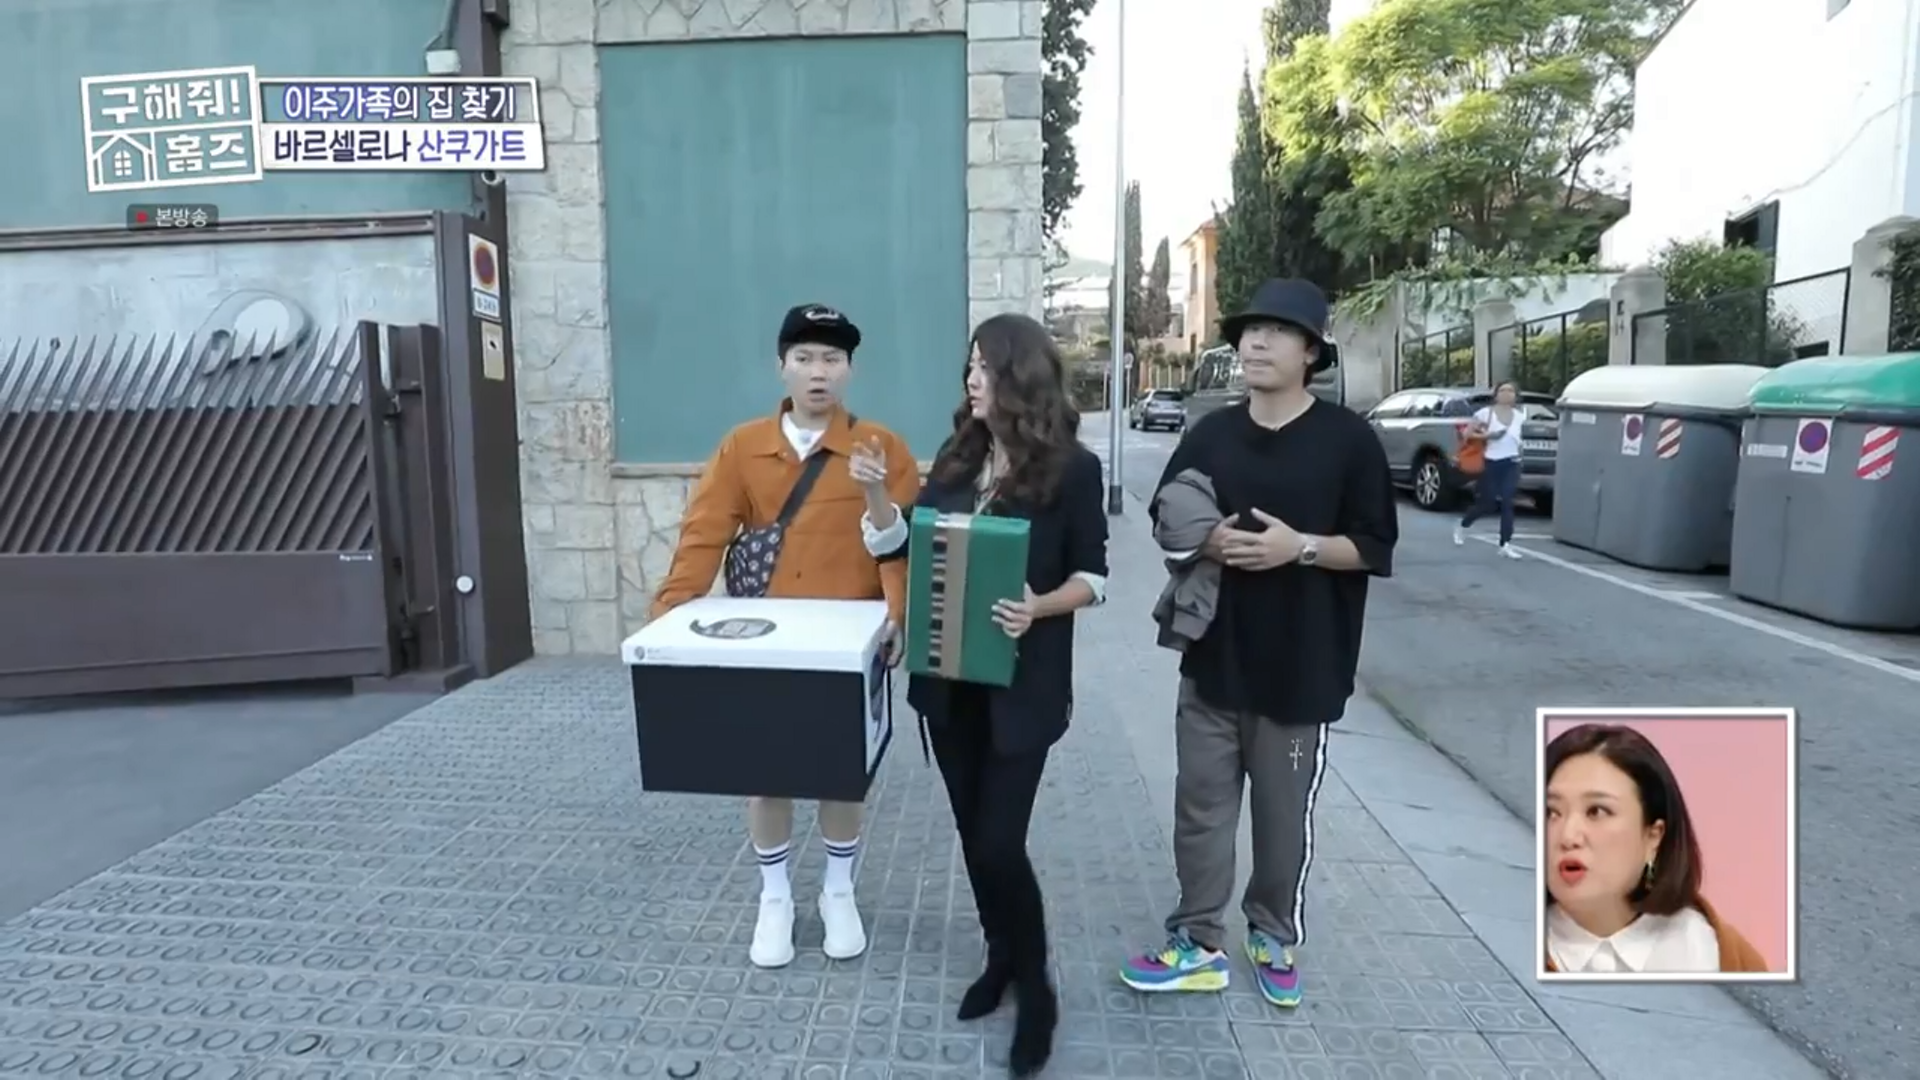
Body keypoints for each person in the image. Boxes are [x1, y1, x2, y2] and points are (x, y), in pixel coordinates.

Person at [1119, 278, 1398, 1010]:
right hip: (1213, 659)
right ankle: (1197, 940)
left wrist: (1296, 548)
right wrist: (1206, 537)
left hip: (1303, 670)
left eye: (1277, 331)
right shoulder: (1210, 432)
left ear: (1311, 353)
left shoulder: (1348, 441)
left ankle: (1272, 932)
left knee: (1281, 817)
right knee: (1200, 809)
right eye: (1249, 330)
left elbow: (1373, 546)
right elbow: (1166, 515)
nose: (1257, 342)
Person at [860, 313, 1109, 1078]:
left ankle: (1037, 991)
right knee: (975, 841)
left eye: (985, 367)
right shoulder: (957, 459)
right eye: (968, 366)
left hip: (1022, 690)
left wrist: (1040, 605)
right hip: (948, 684)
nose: (971, 379)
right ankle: (1000, 957)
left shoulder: (1073, 470)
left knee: (1001, 842)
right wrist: (874, 496)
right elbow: (904, 546)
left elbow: (1094, 577)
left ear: (1020, 377)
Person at [649, 303, 921, 969]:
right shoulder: (743, 447)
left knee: (841, 776)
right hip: (764, 645)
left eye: (831, 358)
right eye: (804, 358)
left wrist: (899, 615)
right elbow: (704, 534)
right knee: (765, 775)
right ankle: (774, 897)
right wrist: (669, 618)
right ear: (782, 367)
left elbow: (904, 548)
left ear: (849, 370)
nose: (818, 372)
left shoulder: (880, 447)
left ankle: (838, 889)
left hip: (847, 647)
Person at [1543, 723, 1769, 974]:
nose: (1568, 836)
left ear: (1653, 836)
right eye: (1551, 812)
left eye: (1596, 811)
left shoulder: (1714, 953)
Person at [1454, 380, 1526, 558]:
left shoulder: (1520, 415)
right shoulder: (1485, 413)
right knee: (1488, 503)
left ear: (1515, 395)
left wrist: (1520, 449)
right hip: (1491, 462)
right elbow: (1466, 434)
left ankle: (1505, 543)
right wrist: (1488, 435)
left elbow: (1519, 437)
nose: (1507, 394)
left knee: (1508, 501)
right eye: (1503, 390)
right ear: (1496, 394)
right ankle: (1464, 524)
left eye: (1511, 391)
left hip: (1512, 462)